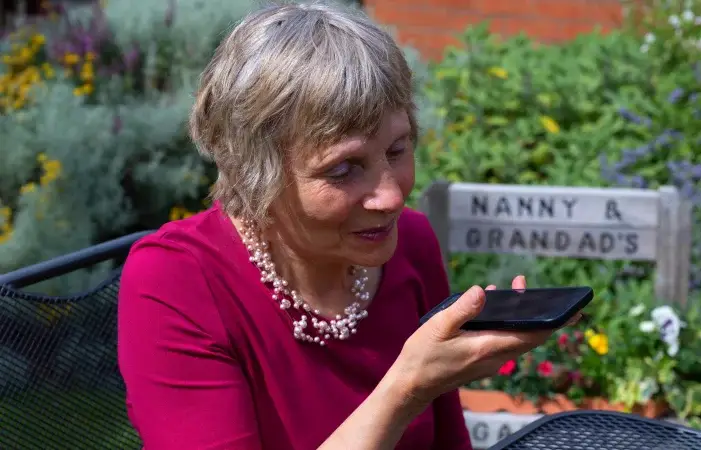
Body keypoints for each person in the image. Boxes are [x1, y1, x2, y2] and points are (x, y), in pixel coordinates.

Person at [116, 2, 577, 449]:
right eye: (342, 170)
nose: (392, 197)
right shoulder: (175, 281)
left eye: (397, 151)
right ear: (255, 172)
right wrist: (406, 389)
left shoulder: (409, 242)